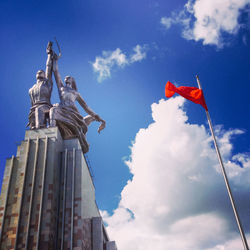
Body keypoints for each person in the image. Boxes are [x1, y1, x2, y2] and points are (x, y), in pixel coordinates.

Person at [49, 55, 105, 153]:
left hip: (73, 112)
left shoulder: (76, 93)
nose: (66, 78)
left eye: (68, 78)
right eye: (65, 78)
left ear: (72, 81)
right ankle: (50, 131)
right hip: (62, 109)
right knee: (53, 110)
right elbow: (56, 72)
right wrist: (55, 60)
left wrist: (96, 116)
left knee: (79, 125)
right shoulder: (61, 87)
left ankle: (77, 136)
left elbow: (86, 107)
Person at [27, 42, 53, 129]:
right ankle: (37, 127)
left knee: (39, 110)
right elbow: (32, 103)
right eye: (38, 72)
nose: (39, 72)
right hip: (34, 109)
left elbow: (48, 67)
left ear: (45, 75)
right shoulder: (31, 89)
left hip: (46, 107)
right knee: (35, 111)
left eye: (42, 72)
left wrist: (49, 55)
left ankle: (40, 128)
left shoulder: (47, 83)